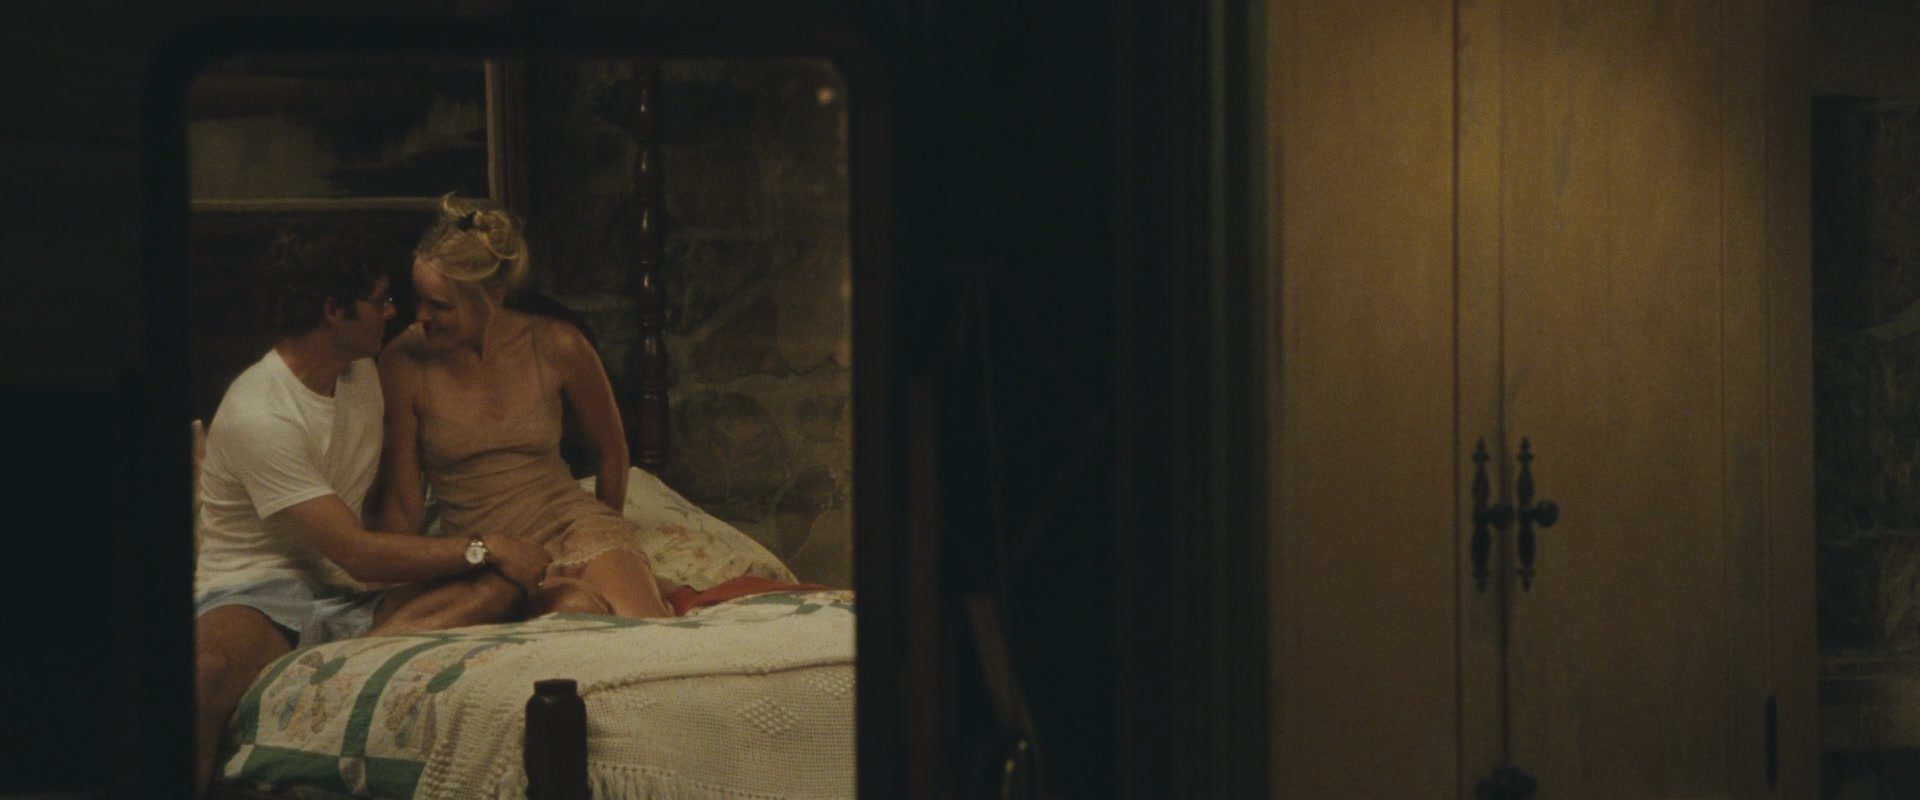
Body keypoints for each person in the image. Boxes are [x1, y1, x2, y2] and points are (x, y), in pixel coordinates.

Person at [192, 220, 554, 796]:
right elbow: (359, 552)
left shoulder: (363, 373)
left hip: (351, 592)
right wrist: (482, 545)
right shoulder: (261, 412)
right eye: (381, 300)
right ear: (335, 310)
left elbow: (386, 525)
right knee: (204, 673)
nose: (394, 312)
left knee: (504, 586)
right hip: (259, 590)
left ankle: (358, 651)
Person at [375, 195, 677, 619]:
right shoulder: (404, 362)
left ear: (493, 297)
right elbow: (404, 501)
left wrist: (612, 538)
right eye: (418, 298)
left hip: (573, 524)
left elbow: (611, 450)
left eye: (440, 305)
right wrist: (393, 573)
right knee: (575, 610)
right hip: (489, 552)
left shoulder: (557, 344)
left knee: (645, 627)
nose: (421, 315)